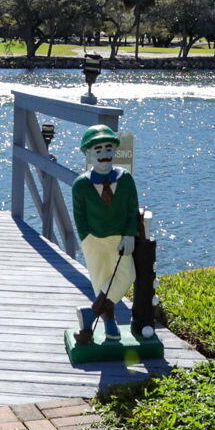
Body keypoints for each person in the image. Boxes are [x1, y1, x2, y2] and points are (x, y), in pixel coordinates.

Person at [70, 124, 140, 344]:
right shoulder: (81, 184)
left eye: (108, 148)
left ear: (115, 151)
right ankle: (110, 326)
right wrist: (86, 237)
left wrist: (129, 234)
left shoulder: (125, 179)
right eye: (97, 150)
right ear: (88, 154)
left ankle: (91, 313)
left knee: (126, 276)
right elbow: (79, 215)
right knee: (102, 280)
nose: (104, 155)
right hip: (94, 240)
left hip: (119, 237)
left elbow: (131, 209)